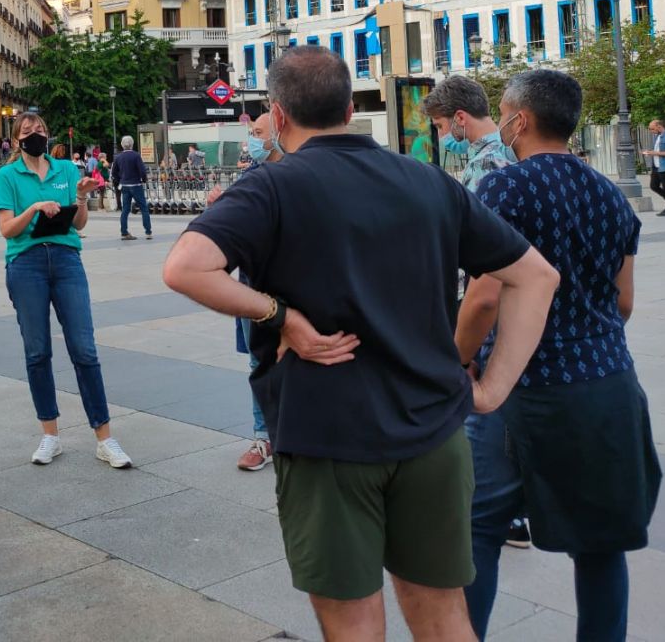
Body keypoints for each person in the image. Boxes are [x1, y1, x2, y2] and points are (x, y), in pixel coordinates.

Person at [162, 46, 558, 642]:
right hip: (432, 434)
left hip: (327, 437)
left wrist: (281, 316)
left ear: (278, 113)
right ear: (349, 108)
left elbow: (185, 267)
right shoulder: (428, 182)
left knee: (352, 624)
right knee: (445, 614)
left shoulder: (271, 186)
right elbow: (536, 275)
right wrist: (492, 388)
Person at [459, 70, 661, 641]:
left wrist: (456, 360)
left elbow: (485, 296)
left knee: (478, 528)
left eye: (502, 113)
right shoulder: (609, 194)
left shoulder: (505, 188)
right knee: (601, 542)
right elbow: (622, 303)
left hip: (518, 386)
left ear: (519, 121)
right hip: (607, 384)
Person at [422, 75, 529, 547]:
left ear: (460, 119)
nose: (444, 135)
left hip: (490, 303)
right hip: (512, 302)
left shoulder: (489, 166)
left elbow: (488, 260)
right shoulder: (506, 157)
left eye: (443, 126)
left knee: (480, 401)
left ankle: (497, 512)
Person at [0, 113, 132, 468]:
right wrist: (35, 208)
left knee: (84, 349)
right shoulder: (7, 176)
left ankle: (105, 438)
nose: (35, 134)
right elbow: (7, 229)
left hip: (68, 261)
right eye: (27, 131)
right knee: (37, 351)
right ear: (16, 139)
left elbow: (79, 222)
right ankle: (50, 435)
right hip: (26, 264)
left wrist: (82, 198)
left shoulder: (66, 171)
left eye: (39, 129)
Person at [229, 113, 282, 473]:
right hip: (252, 285)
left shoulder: (299, 173)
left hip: (292, 285)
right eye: (250, 133)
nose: (252, 140)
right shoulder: (248, 178)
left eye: (258, 133)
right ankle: (263, 437)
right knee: (257, 360)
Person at [424, 76, 516, 192]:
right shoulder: (512, 147)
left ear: (460, 118)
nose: (439, 135)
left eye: (439, 126)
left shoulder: (481, 166)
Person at [111, 135, 152, 240]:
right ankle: (148, 231)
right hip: (136, 185)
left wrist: (120, 180)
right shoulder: (136, 156)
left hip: (124, 185)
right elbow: (142, 170)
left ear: (122, 145)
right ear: (132, 144)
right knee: (143, 208)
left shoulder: (118, 157)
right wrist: (144, 179)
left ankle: (124, 232)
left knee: (125, 209)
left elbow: (114, 172)